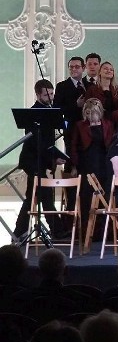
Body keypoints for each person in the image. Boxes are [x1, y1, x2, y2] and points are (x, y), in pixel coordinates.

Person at [13, 79, 68, 241]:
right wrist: (54, 157)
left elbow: (53, 136)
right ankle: (57, 230)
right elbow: (37, 142)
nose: (50, 97)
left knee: (32, 197)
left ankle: (19, 232)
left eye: (52, 94)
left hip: (41, 160)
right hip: (32, 161)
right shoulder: (33, 113)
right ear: (38, 95)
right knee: (45, 195)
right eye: (46, 95)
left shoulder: (50, 110)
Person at [71, 98, 114, 236]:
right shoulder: (79, 125)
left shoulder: (108, 124)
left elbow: (111, 144)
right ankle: (86, 231)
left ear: (99, 112)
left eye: (92, 113)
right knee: (87, 197)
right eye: (87, 113)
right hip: (87, 164)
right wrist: (75, 165)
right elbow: (73, 147)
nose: (90, 116)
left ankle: (104, 232)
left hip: (104, 164)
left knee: (104, 195)